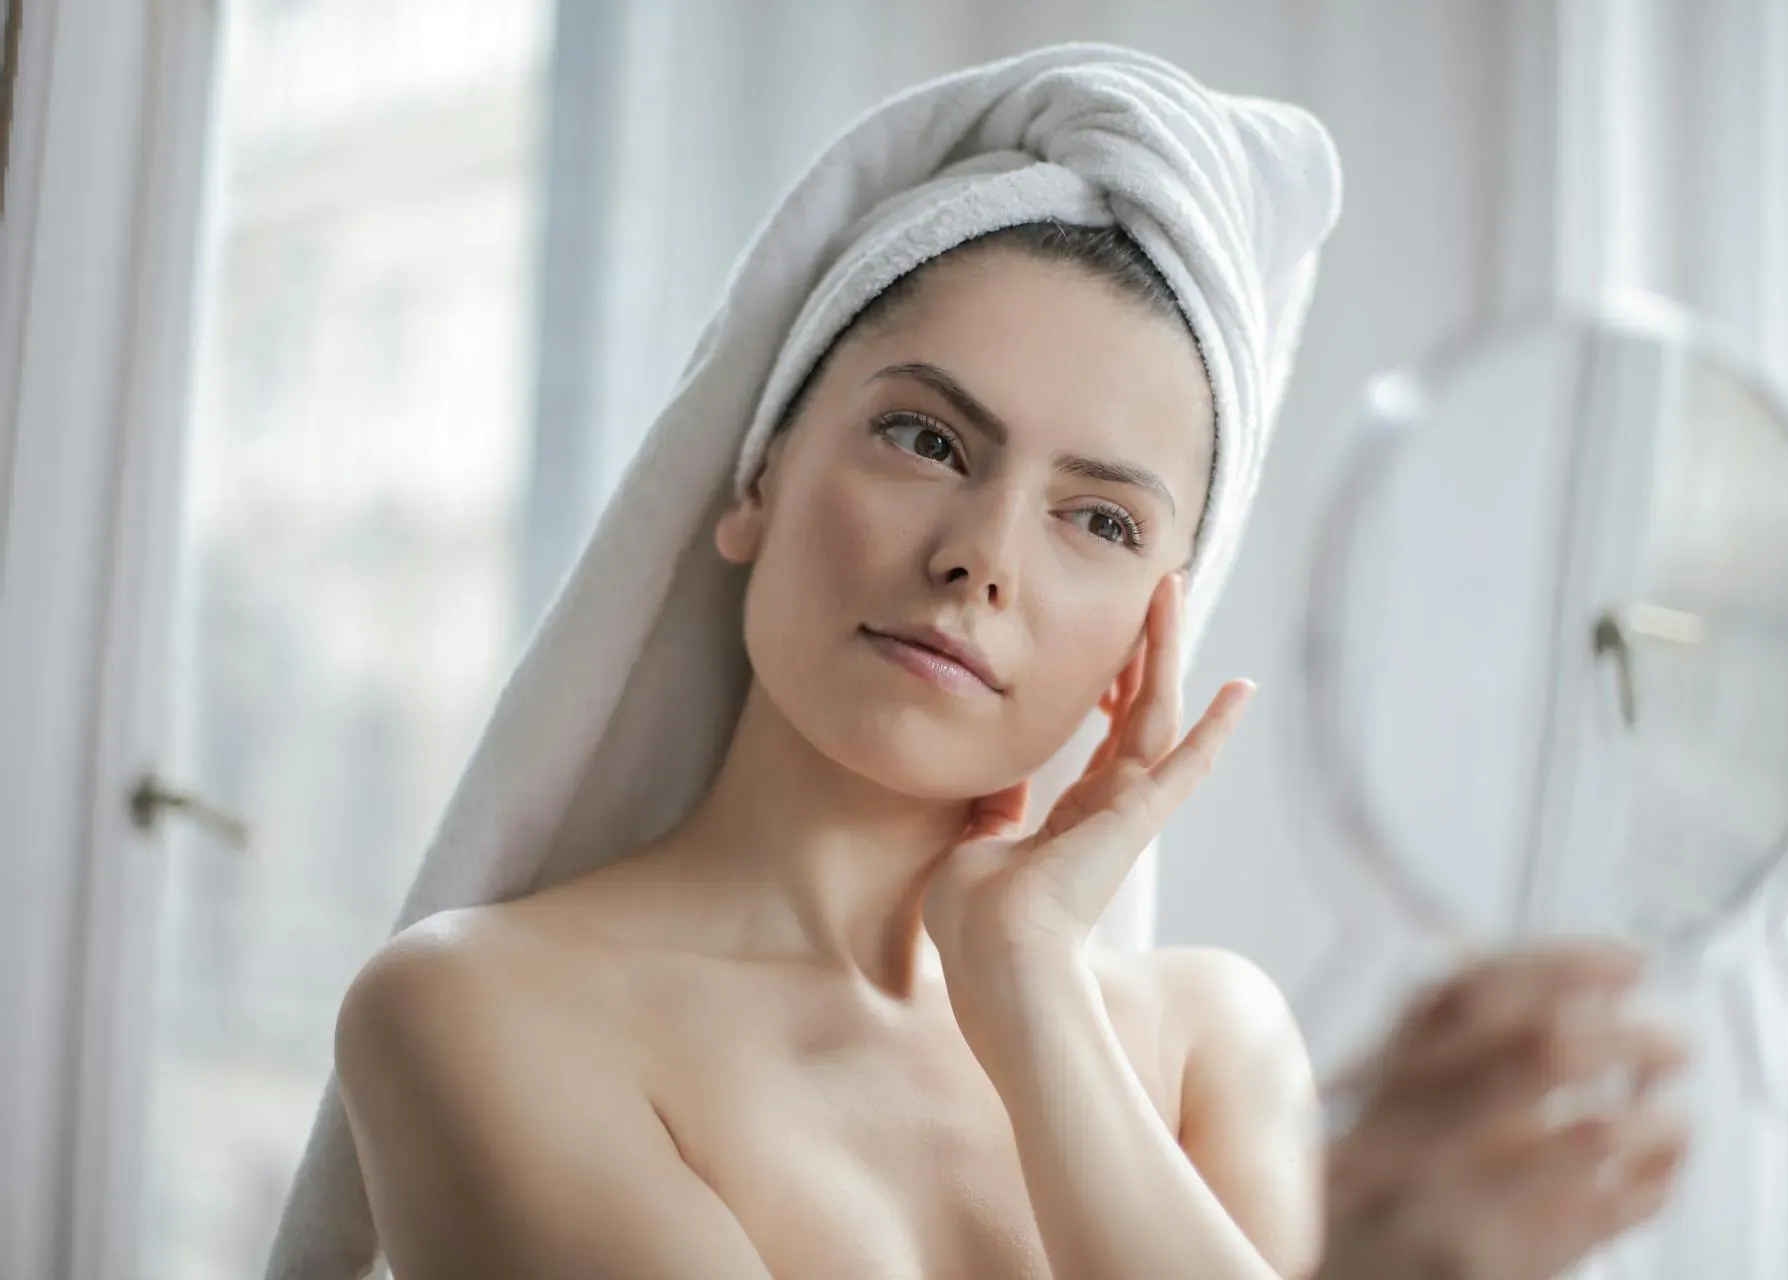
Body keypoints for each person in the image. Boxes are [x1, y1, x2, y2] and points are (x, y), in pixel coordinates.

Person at [271, 47, 1690, 1280]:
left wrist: (1026, 983)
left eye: (1099, 519)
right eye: (927, 438)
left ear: (1156, 626)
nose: (982, 559)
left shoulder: (1207, 1045)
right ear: (754, 475)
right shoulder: (477, 1012)